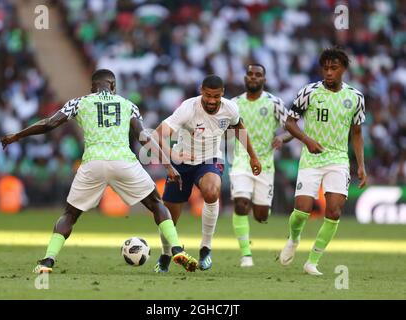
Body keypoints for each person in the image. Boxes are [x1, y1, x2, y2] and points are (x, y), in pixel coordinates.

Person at [0, 69, 198, 274]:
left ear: (92, 87)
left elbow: (49, 124)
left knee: (70, 214)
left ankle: (47, 261)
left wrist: (17, 135)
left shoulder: (79, 102)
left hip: (92, 163)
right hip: (123, 161)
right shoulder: (128, 105)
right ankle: (175, 248)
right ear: (113, 86)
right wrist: (167, 165)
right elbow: (143, 137)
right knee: (156, 204)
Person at [153, 75, 262, 272]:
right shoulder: (188, 108)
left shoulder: (230, 108)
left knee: (212, 191)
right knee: (170, 215)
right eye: (208, 96)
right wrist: (172, 154)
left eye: (216, 96)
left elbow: (239, 129)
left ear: (223, 94)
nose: (212, 101)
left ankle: (206, 248)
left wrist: (253, 157)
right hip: (181, 163)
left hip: (210, 159)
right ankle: (166, 254)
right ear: (201, 91)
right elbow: (156, 136)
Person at [279, 47, 367, 275]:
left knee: (335, 211)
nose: (329, 72)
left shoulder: (355, 97)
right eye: (325, 68)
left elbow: (356, 133)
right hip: (311, 158)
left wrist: (361, 165)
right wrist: (306, 140)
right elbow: (289, 123)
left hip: (338, 159)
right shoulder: (308, 92)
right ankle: (294, 238)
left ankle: (312, 262)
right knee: (302, 211)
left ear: (344, 69)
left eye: (334, 68)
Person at [230, 64, 292, 267]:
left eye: (258, 75)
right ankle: (246, 255)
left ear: (264, 79)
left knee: (261, 215)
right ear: (245, 77)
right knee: (240, 204)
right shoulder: (234, 104)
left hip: (265, 165)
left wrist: (282, 138)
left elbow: (292, 128)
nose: (254, 77)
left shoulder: (274, 103)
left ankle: (261, 209)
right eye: (250, 74)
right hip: (241, 161)